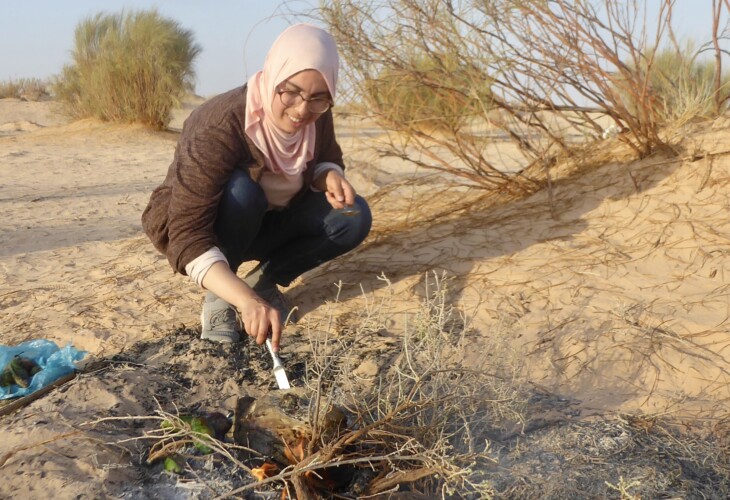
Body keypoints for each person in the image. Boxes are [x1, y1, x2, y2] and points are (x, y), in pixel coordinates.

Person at [141, 24, 372, 351]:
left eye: (318, 98)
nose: (302, 109)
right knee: (242, 192)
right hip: (219, 226)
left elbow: (325, 157)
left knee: (353, 216)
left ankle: (263, 280)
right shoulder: (220, 122)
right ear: (274, 73)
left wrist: (328, 175)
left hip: (274, 223)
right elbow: (186, 233)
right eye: (290, 92)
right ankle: (224, 294)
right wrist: (243, 301)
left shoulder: (317, 112)